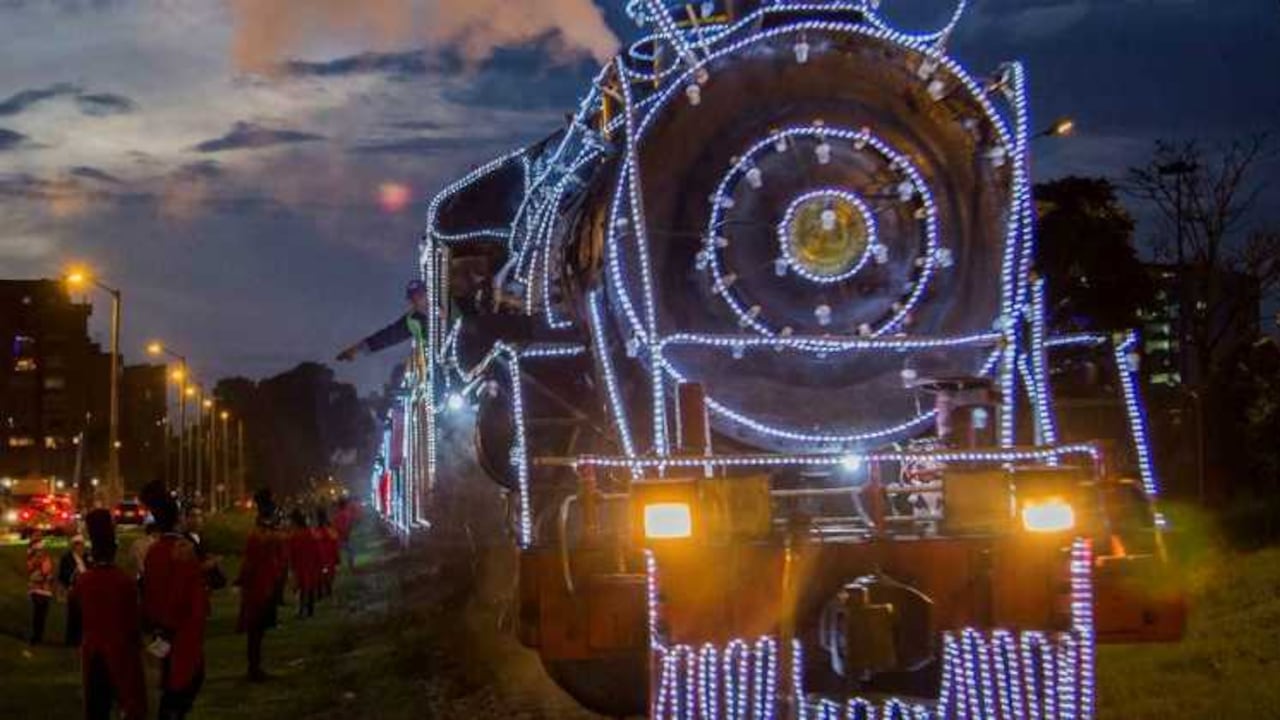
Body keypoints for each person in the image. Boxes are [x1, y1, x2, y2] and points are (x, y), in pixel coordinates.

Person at [140, 483, 208, 720]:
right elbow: (184, 590)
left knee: (170, 681)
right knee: (186, 681)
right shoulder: (183, 550)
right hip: (182, 626)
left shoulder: (154, 551)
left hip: (161, 625)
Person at [73, 509, 147, 720]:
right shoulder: (124, 582)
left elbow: (78, 616)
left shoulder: (83, 582)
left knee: (97, 707)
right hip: (121, 649)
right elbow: (133, 618)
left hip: (93, 650)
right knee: (128, 701)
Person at [236, 490, 285, 682]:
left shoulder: (261, 536)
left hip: (263, 585)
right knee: (256, 630)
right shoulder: (260, 538)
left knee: (258, 631)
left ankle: (255, 666)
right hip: (259, 587)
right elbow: (251, 563)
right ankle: (254, 668)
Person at [335, 279, 432, 361]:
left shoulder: (444, 301)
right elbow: (386, 336)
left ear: (428, 294)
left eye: (420, 295)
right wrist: (356, 349)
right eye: (413, 299)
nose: (418, 301)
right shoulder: (412, 320)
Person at [287, 509, 320, 619]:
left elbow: (291, 552)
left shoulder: (294, 536)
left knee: (301, 588)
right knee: (309, 587)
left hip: (300, 565)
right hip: (310, 564)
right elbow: (316, 549)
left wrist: (291, 566)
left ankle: (301, 610)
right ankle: (310, 610)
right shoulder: (310, 533)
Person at [58, 534, 88, 646]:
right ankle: (71, 640)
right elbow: (63, 574)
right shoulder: (67, 558)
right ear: (74, 546)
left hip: (85, 590)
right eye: (79, 545)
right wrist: (73, 576)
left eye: (82, 545)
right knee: (73, 615)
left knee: (84, 616)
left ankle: (82, 638)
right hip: (73, 590)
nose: (81, 548)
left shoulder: (86, 557)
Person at [26, 532, 54, 646]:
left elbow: (48, 571)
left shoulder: (44, 558)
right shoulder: (33, 559)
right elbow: (37, 572)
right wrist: (46, 575)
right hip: (37, 589)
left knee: (41, 615)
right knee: (38, 614)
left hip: (45, 590)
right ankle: (36, 638)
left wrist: (48, 576)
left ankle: (38, 637)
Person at [314, 508, 340, 599]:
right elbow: (335, 542)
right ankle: (326, 589)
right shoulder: (329, 529)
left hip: (321, 556)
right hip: (328, 556)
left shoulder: (316, 530)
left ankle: (321, 591)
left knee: (321, 575)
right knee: (328, 574)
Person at [333, 498, 358, 572]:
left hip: (339, 536)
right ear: (344, 505)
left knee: (340, 551)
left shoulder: (337, 514)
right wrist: (346, 533)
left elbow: (335, 525)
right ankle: (351, 566)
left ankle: (338, 566)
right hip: (344, 536)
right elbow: (347, 525)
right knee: (351, 551)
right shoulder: (345, 514)